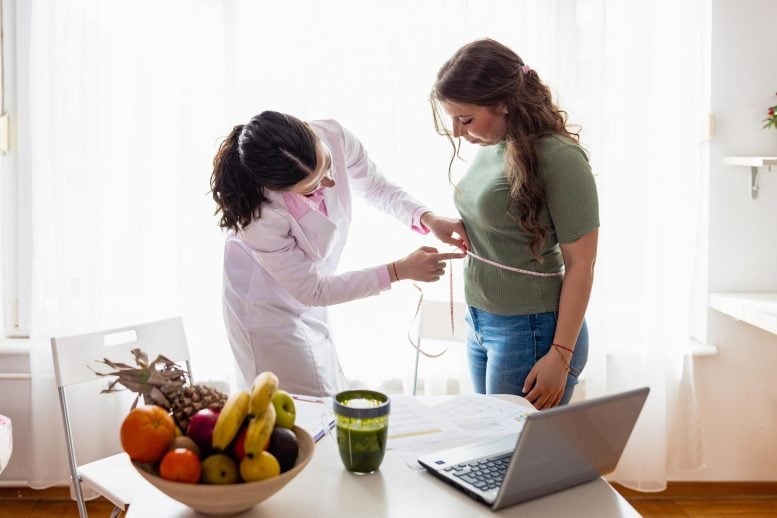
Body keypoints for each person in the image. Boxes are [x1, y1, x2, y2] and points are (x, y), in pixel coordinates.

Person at [210, 111, 468, 396]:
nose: (330, 182)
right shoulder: (260, 216)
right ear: (278, 189)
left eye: (328, 166)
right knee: (302, 407)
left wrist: (427, 218)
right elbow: (313, 290)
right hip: (265, 310)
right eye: (313, 186)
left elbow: (376, 186)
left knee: (328, 396)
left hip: (308, 295)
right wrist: (399, 271)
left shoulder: (334, 135)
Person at [431, 39, 598, 409]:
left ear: (504, 103)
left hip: (532, 330)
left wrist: (560, 354)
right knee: (493, 451)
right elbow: (505, 215)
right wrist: (454, 223)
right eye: (453, 120)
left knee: (510, 456)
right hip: (481, 322)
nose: (458, 132)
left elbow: (582, 265)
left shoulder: (561, 158)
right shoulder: (495, 145)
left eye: (466, 119)